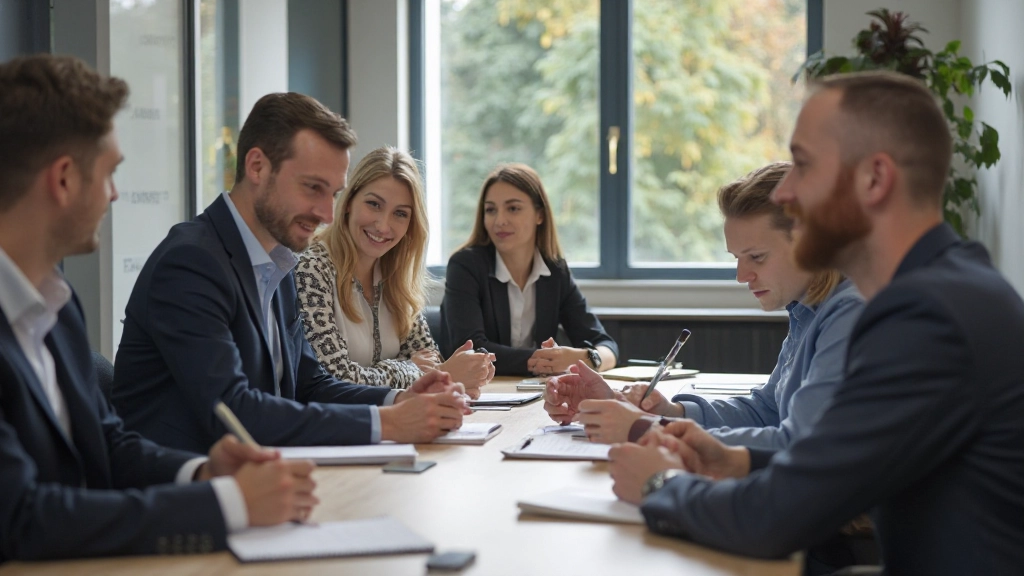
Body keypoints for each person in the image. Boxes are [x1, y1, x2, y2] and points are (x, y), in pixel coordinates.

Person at [607, 71, 1024, 574]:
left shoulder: (923, 317)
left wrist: (661, 485)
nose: (786, 194)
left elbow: (777, 517)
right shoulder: (946, 284)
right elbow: (834, 464)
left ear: (874, 178)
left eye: (803, 165)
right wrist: (735, 460)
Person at [0, 54, 317, 560]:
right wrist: (226, 505)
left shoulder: (56, 305)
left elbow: (108, 443)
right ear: (62, 180)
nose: (114, 194)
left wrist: (201, 472)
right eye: (108, 174)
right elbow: (19, 519)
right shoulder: (189, 258)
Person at [112, 92, 469, 454]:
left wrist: (399, 398)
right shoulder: (192, 262)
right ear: (256, 167)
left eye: (333, 194)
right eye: (313, 188)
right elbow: (234, 411)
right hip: (186, 488)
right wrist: (389, 423)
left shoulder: (277, 263)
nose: (327, 214)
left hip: (261, 476)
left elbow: (311, 385)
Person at [546, 162, 864, 449]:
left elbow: (798, 444)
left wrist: (649, 430)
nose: (742, 276)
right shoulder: (806, 310)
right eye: (737, 258)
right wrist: (670, 413)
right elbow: (768, 410)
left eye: (756, 257)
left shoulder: (849, 315)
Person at [296, 146, 493, 396]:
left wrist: (459, 373)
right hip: (338, 429)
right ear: (348, 203)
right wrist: (410, 369)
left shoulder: (395, 276)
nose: (383, 225)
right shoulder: (311, 268)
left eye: (400, 213)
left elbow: (431, 361)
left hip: (397, 426)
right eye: (374, 204)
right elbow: (336, 379)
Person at [440, 163, 618, 376]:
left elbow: (607, 345)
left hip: (532, 392)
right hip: (474, 392)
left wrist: (587, 358)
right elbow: (470, 350)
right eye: (490, 210)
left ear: (539, 215)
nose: (500, 221)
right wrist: (545, 361)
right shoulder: (465, 266)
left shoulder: (555, 271)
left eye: (513, 208)